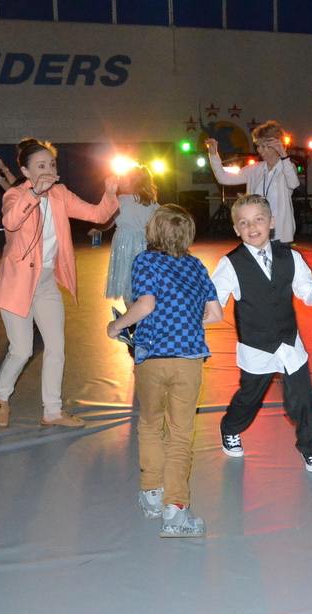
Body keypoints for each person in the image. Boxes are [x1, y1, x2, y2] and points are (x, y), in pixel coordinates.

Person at [107, 205, 222, 538]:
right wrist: (186, 324)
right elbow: (214, 314)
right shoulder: (197, 265)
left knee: (150, 423)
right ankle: (176, 512)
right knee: (181, 434)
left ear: (151, 232)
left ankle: (151, 494)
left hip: (153, 357)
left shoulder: (145, 260)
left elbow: (145, 305)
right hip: (189, 359)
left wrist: (116, 326)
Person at [0, 138, 119, 428]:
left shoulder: (61, 194)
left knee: (56, 347)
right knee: (21, 351)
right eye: (40, 165)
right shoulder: (15, 195)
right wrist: (35, 192)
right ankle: (1, 395)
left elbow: (97, 215)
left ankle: (52, 410)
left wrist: (110, 193)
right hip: (17, 284)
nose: (48, 169)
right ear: (25, 171)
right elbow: (11, 222)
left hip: (46, 282)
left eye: (51, 164)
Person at [210, 194, 312, 472]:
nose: (252, 227)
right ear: (236, 229)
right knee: (249, 398)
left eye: (258, 219)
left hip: (290, 343)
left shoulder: (290, 256)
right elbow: (213, 299)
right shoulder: (231, 263)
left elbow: (306, 290)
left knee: (304, 397)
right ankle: (230, 427)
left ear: (272, 223)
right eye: (244, 222)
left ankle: (310, 446)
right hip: (256, 346)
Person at [205, 120, 300, 243]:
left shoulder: (288, 167)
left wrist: (283, 154)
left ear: (277, 146)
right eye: (258, 146)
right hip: (256, 233)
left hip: (280, 234)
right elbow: (224, 178)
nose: (260, 150)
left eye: (264, 146)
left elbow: (293, 184)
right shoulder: (254, 169)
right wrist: (213, 154)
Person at [88, 166, 159, 309]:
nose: (119, 182)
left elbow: (110, 220)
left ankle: (133, 317)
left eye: (122, 179)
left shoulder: (122, 199)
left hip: (125, 245)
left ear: (132, 182)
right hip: (146, 245)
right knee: (143, 282)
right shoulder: (151, 202)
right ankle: (144, 316)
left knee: (127, 283)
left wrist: (99, 228)